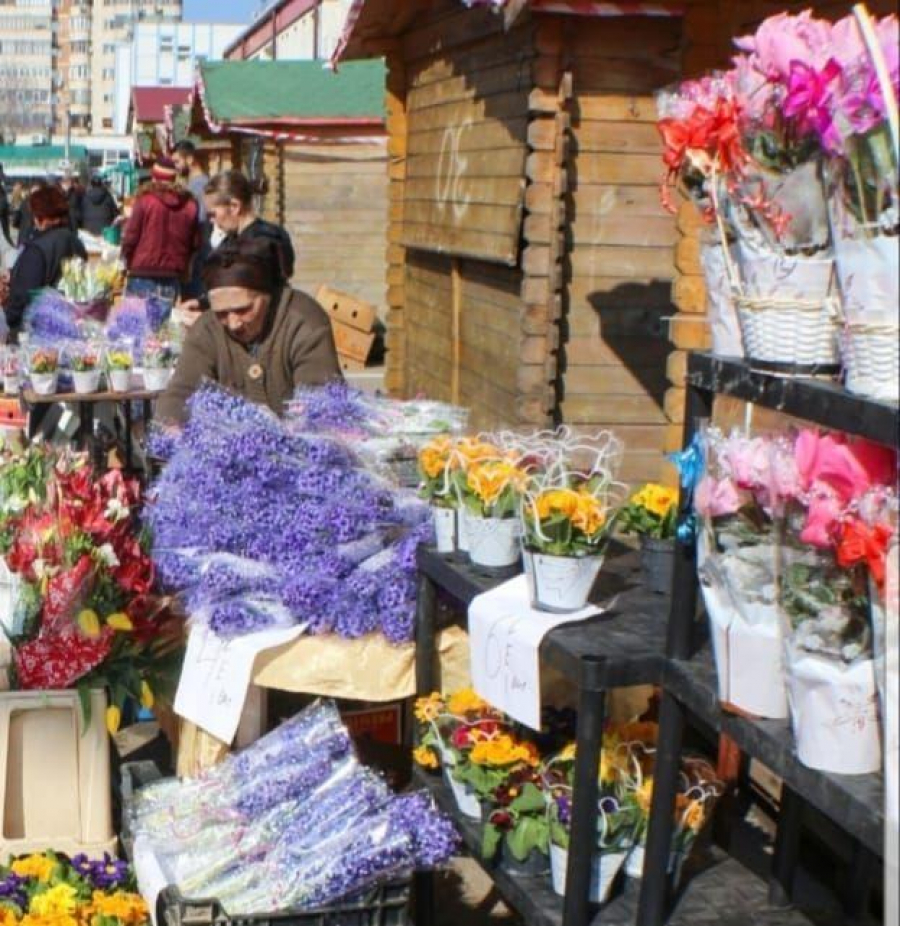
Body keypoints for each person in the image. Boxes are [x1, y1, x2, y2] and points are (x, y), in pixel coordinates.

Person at [157, 236, 341, 425]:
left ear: (268, 296)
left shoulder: (303, 321)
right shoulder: (207, 329)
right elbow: (181, 393)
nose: (234, 323)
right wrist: (172, 426)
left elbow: (321, 401)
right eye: (222, 313)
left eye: (243, 310)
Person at [177, 169, 294, 327]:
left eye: (213, 214)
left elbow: (248, 302)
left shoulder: (260, 246)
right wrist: (202, 303)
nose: (211, 221)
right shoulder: (236, 239)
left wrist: (206, 320)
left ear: (234, 206)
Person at [4, 185, 87, 338]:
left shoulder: (37, 249)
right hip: (70, 325)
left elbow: (22, 296)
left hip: (34, 331)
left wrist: (7, 322)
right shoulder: (75, 242)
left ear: (39, 217)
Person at [121, 157, 199, 305]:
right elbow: (194, 243)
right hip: (171, 275)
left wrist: (125, 260)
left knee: (135, 326)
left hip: (142, 272)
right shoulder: (190, 205)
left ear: (154, 177)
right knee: (162, 326)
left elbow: (130, 237)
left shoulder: (145, 201)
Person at [172, 140, 209, 222]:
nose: (175, 166)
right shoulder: (192, 183)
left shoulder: (200, 184)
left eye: (177, 162)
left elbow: (201, 219)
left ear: (189, 159)